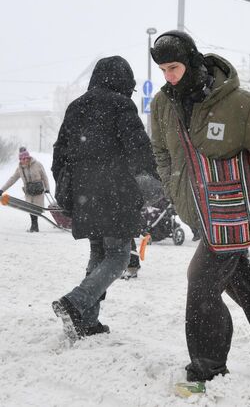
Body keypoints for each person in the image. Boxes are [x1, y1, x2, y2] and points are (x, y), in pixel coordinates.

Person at [148, 31, 250, 395]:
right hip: (199, 211)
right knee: (234, 277)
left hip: (235, 210)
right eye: (163, 69)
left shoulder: (241, 104)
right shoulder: (162, 104)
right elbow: (160, 151)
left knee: (201, 280)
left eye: (174, 67)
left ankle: (207, 371)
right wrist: (173, 187)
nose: (169, 76)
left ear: (192, 61)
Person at [50, 56, 158, 340]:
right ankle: (75, 302)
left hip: (85, 193)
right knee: (119, 257)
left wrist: (66, 188)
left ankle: (88, 322)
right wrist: (149, 176)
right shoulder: (122, 105)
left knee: (98, 253)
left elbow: (59, 152)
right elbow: (138, 146)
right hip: (116, 192)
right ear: (123, 81)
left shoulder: (76, 107)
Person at [0, 147, 51, 232]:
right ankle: (34, 226)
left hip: (38, 189)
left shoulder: (37, 164)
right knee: (30, 208)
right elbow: (12, 179)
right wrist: (2, 190)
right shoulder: (20, 168)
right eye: (21, 159)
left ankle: (35, 226)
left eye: (25, 158)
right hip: (29, 191)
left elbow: (44, 177)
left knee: (37, 208)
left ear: (28, 157)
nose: (23, 160)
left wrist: (47, 188)